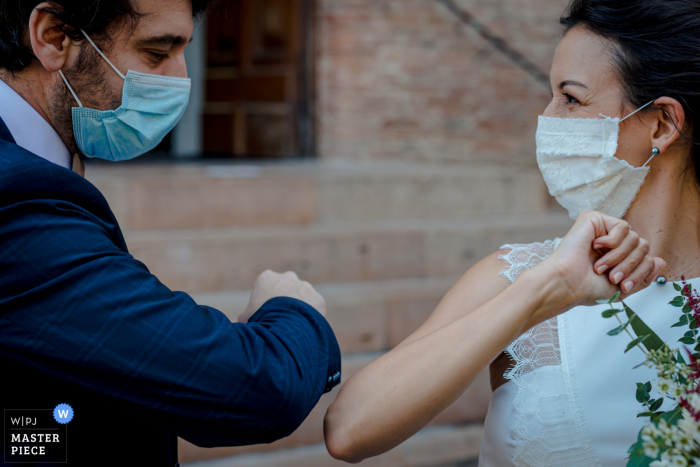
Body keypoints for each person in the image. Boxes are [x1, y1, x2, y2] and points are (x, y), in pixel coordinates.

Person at [323, 0, 700, 465]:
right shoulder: (521, 275)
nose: (547, 119)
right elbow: (348, 431)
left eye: (571, 98)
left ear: (661, 124)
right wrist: (542, 292)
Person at [0, 1, 340, 465]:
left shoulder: (38, 168)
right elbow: (256, 388)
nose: (180, 79)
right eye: (157, 53)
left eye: (184, 51)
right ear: (55, 37)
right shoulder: (15, 197)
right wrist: (292, 311)